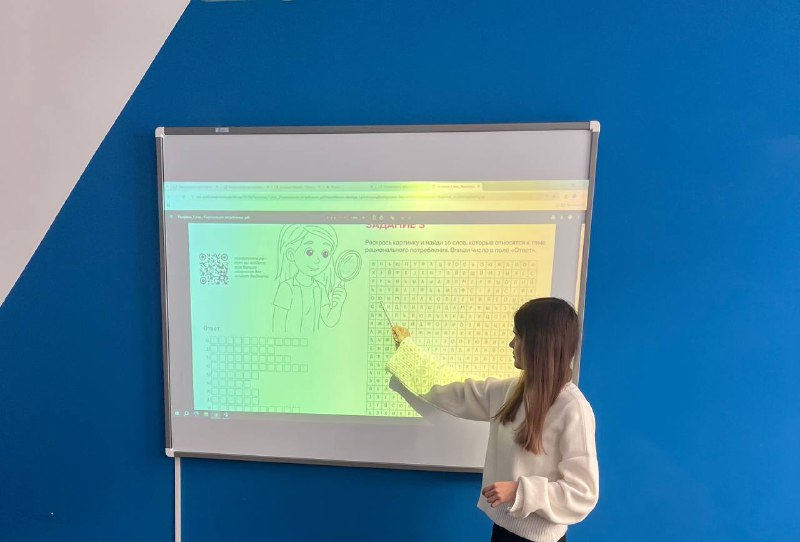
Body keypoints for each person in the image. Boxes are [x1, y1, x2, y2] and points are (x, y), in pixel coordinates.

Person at [387, 298, 599, 542]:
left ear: (537, 345)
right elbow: (456, 390)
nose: (511, 344)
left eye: (517, 337)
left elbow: (583, 494)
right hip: (503, 530)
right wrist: (408, 354)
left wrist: (520, 491)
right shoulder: (510, 391)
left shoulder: (573, 409)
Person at [272, 224, 347, 333]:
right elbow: (278, 324)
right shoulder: (286, 287)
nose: (318, 260)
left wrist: (338, 304)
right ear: (291, 254)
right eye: (309, 252)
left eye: (325, 254)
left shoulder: (320, 288)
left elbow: (329, 320)